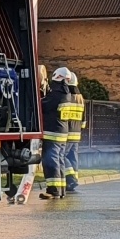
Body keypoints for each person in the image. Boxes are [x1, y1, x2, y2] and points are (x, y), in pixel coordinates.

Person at [39, 68, 76, 199]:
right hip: (62, 133)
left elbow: (42, 106)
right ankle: (61, 191)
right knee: (59, 161)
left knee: (51, 161)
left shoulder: (57, 94)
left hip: (52, 133)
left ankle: (53, 190)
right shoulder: (66, 94)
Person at [63, 72, 85, 193]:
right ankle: (74, 179)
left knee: (62, 156)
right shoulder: (81, 98)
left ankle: (71, 178)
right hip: (77, 134)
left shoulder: (66, 96)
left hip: (66, 133)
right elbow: (84, 120)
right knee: (73, 157)